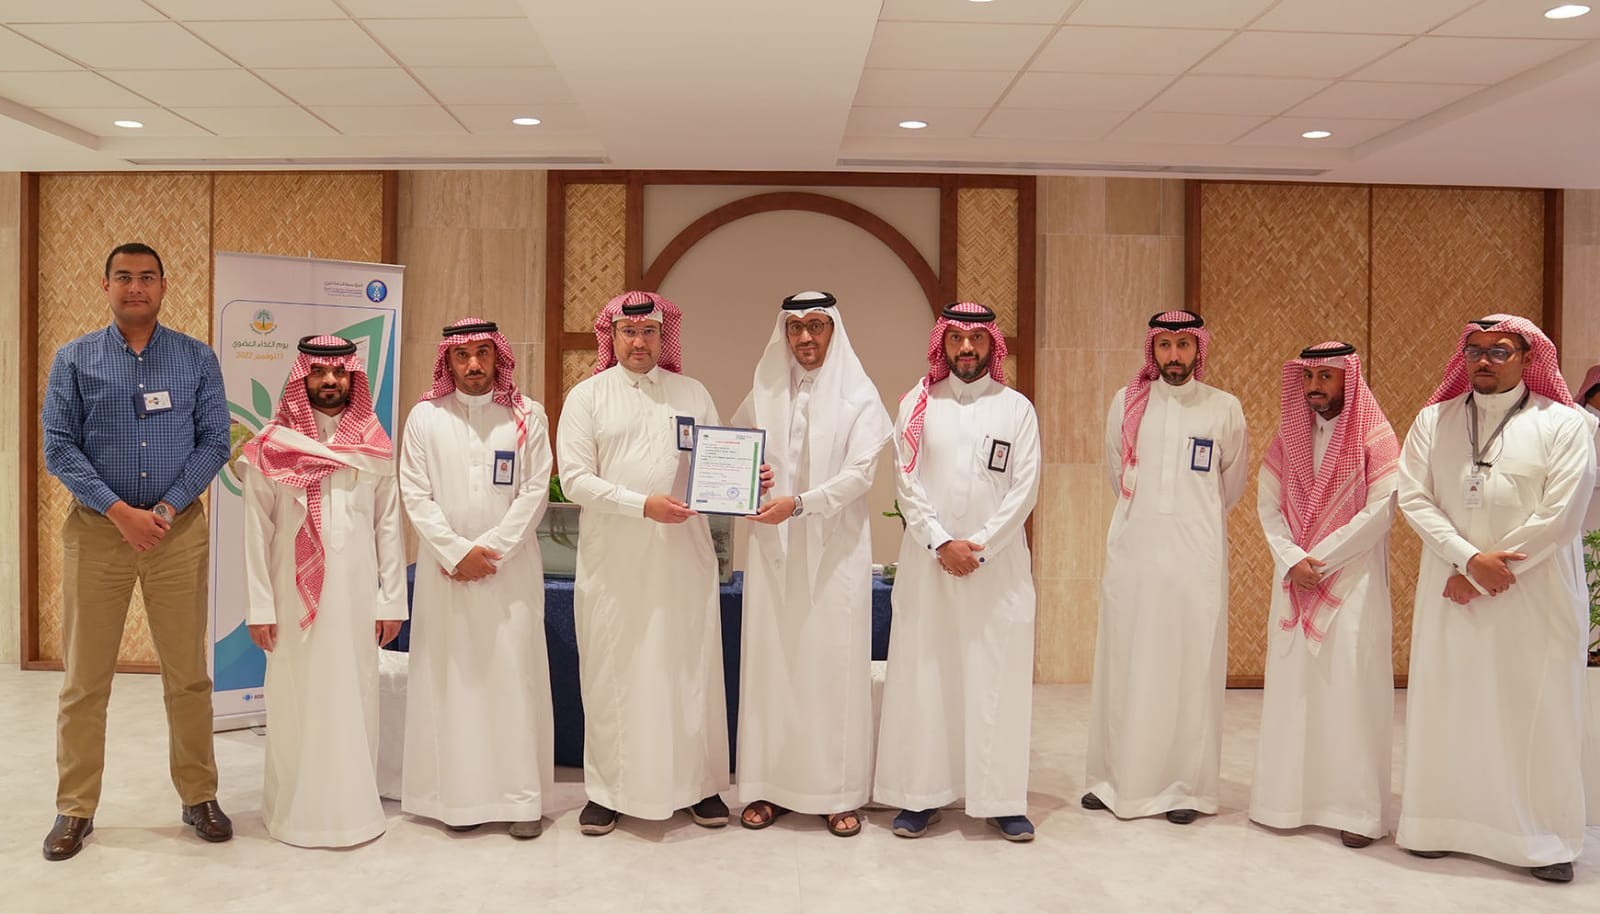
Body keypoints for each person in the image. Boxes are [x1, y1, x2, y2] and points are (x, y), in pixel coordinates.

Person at [41, 242, 232, 861]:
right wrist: (119, 512)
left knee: (188, 675)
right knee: (84, 680)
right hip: (99, 531)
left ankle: (199, 796)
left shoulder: (196, 358)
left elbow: (214, 441)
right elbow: (59, 446)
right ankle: (75, 807)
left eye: (147, 277)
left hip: (177, 533)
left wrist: (167, 508)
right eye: (123, 277)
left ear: (164, 285)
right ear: (106, 286)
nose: (135, 287)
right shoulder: (74, 359)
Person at [1395, 314, 1594, 883]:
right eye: (1475, 350)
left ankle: (1543, 839)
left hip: (1534, 595)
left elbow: (1562, 515)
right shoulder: (1434, 421)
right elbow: (1413, 496)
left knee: (1536, 710)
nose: (1484, 360)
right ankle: (1437, 825)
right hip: (1452, 588)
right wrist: (1466, 558)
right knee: (1450, 704)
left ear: (1529, 358)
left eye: (1499, 350)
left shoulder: (1564, 423)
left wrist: (1483, 574)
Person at [556, 291, 753, 835]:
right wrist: (641, 505)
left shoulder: (692, 393)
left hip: (683, 561)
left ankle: (699, 786)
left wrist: (746, 478)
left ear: (664, 337)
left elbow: (717, 466)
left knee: (689, 670)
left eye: (648, 332)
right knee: (613, 673)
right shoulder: (587, 398)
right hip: (614, 566)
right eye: (628, 332)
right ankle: (608, 792)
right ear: (612, 336)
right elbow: (575, 480)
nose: (639, 342)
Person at [873, 302, 1041, 842]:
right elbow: (906, 483)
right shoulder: (917, 405)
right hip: (930, 566)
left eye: (977, 338)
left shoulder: (1017, 409)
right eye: (956, 338)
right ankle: (921, 796)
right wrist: (942, 543)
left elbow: (1025, 489)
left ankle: (1001, 800)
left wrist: (979, 548)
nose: (966, 348)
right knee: (928, 676)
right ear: (942, 344)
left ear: (992, 344)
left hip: (998, 571)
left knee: (996, 678)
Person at [730, 291, 893, 837]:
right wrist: (752, 477)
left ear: (833, 331)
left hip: (835, 558)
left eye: (816, 325)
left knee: (831, 671)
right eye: (795, 327)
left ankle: (837, 793)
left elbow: (859, 476)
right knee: (773, 669)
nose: (805, 337)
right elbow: (734, 453)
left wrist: (798, 504)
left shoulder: (859, 397)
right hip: (773, 554)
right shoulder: (763, 392)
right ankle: (769, 788)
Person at [239, 335, 407, 848]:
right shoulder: (273, 447)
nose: (329, 381)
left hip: (356, 598)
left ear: (353, 377)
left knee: (355, 696)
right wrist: (260, 606)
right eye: (318, 372)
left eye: (339, 372)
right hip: (290, 600)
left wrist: (391, 599)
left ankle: (355, 811)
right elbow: (256, 531)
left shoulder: (372, 444)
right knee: (294, 697)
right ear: (302, 377)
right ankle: (295, 813)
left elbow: (388, 525)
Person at [1085, 310, 1248, 825]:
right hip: (1134, 554)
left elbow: (1230, 486)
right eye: (1164, 345)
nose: (1173, 356)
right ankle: (1112, 781)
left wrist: (1187, 520)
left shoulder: (1224, 408)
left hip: (1194, 560)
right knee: (1124, 661)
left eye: (1183, 345)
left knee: (1189, 668)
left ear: (1198, 349)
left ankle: (1185, 789)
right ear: (1152, 350)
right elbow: (1117, 472)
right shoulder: (1127, 402)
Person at [399, 318, 554, 839]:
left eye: (483, 353)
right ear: (447, 360)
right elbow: (414, 493)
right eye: (462, 355)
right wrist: (455, 552)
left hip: (510, 575)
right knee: (453, 681)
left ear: (498, 357)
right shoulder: (425, 417)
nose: (472, 364)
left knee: (512, 679)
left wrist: (491, 552)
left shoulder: (527, 415)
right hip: (444, 575)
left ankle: (521, 800)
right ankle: (458, 802)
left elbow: (535, 493)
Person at [1249, 342, 1399, 849]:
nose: (1314, 387)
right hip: (1296, 580)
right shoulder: (1288, 439)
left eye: (1326, 377)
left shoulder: (1375, 436)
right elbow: (1267, 505)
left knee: (1349, 690)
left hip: (1352, 582)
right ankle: (1285, 802)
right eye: (1308, 377)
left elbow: (1381, 510)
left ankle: (1355, 812)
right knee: (1295, 691)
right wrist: (1292, 558)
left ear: (1347, 379)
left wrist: (1321, 559)